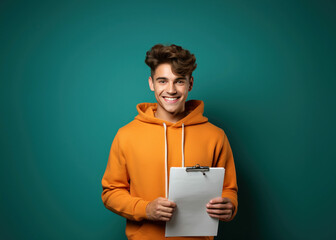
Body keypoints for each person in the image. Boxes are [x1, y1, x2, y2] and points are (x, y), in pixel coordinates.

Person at [101, 44, 238, 240]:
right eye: (163, 81)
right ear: (151, 83)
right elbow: (111, 192)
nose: (171, 90)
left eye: (179, 81)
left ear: (190, 84)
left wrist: (230, 205)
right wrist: (146, 209)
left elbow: (229, 189)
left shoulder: (215, 136)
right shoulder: (126, 135)